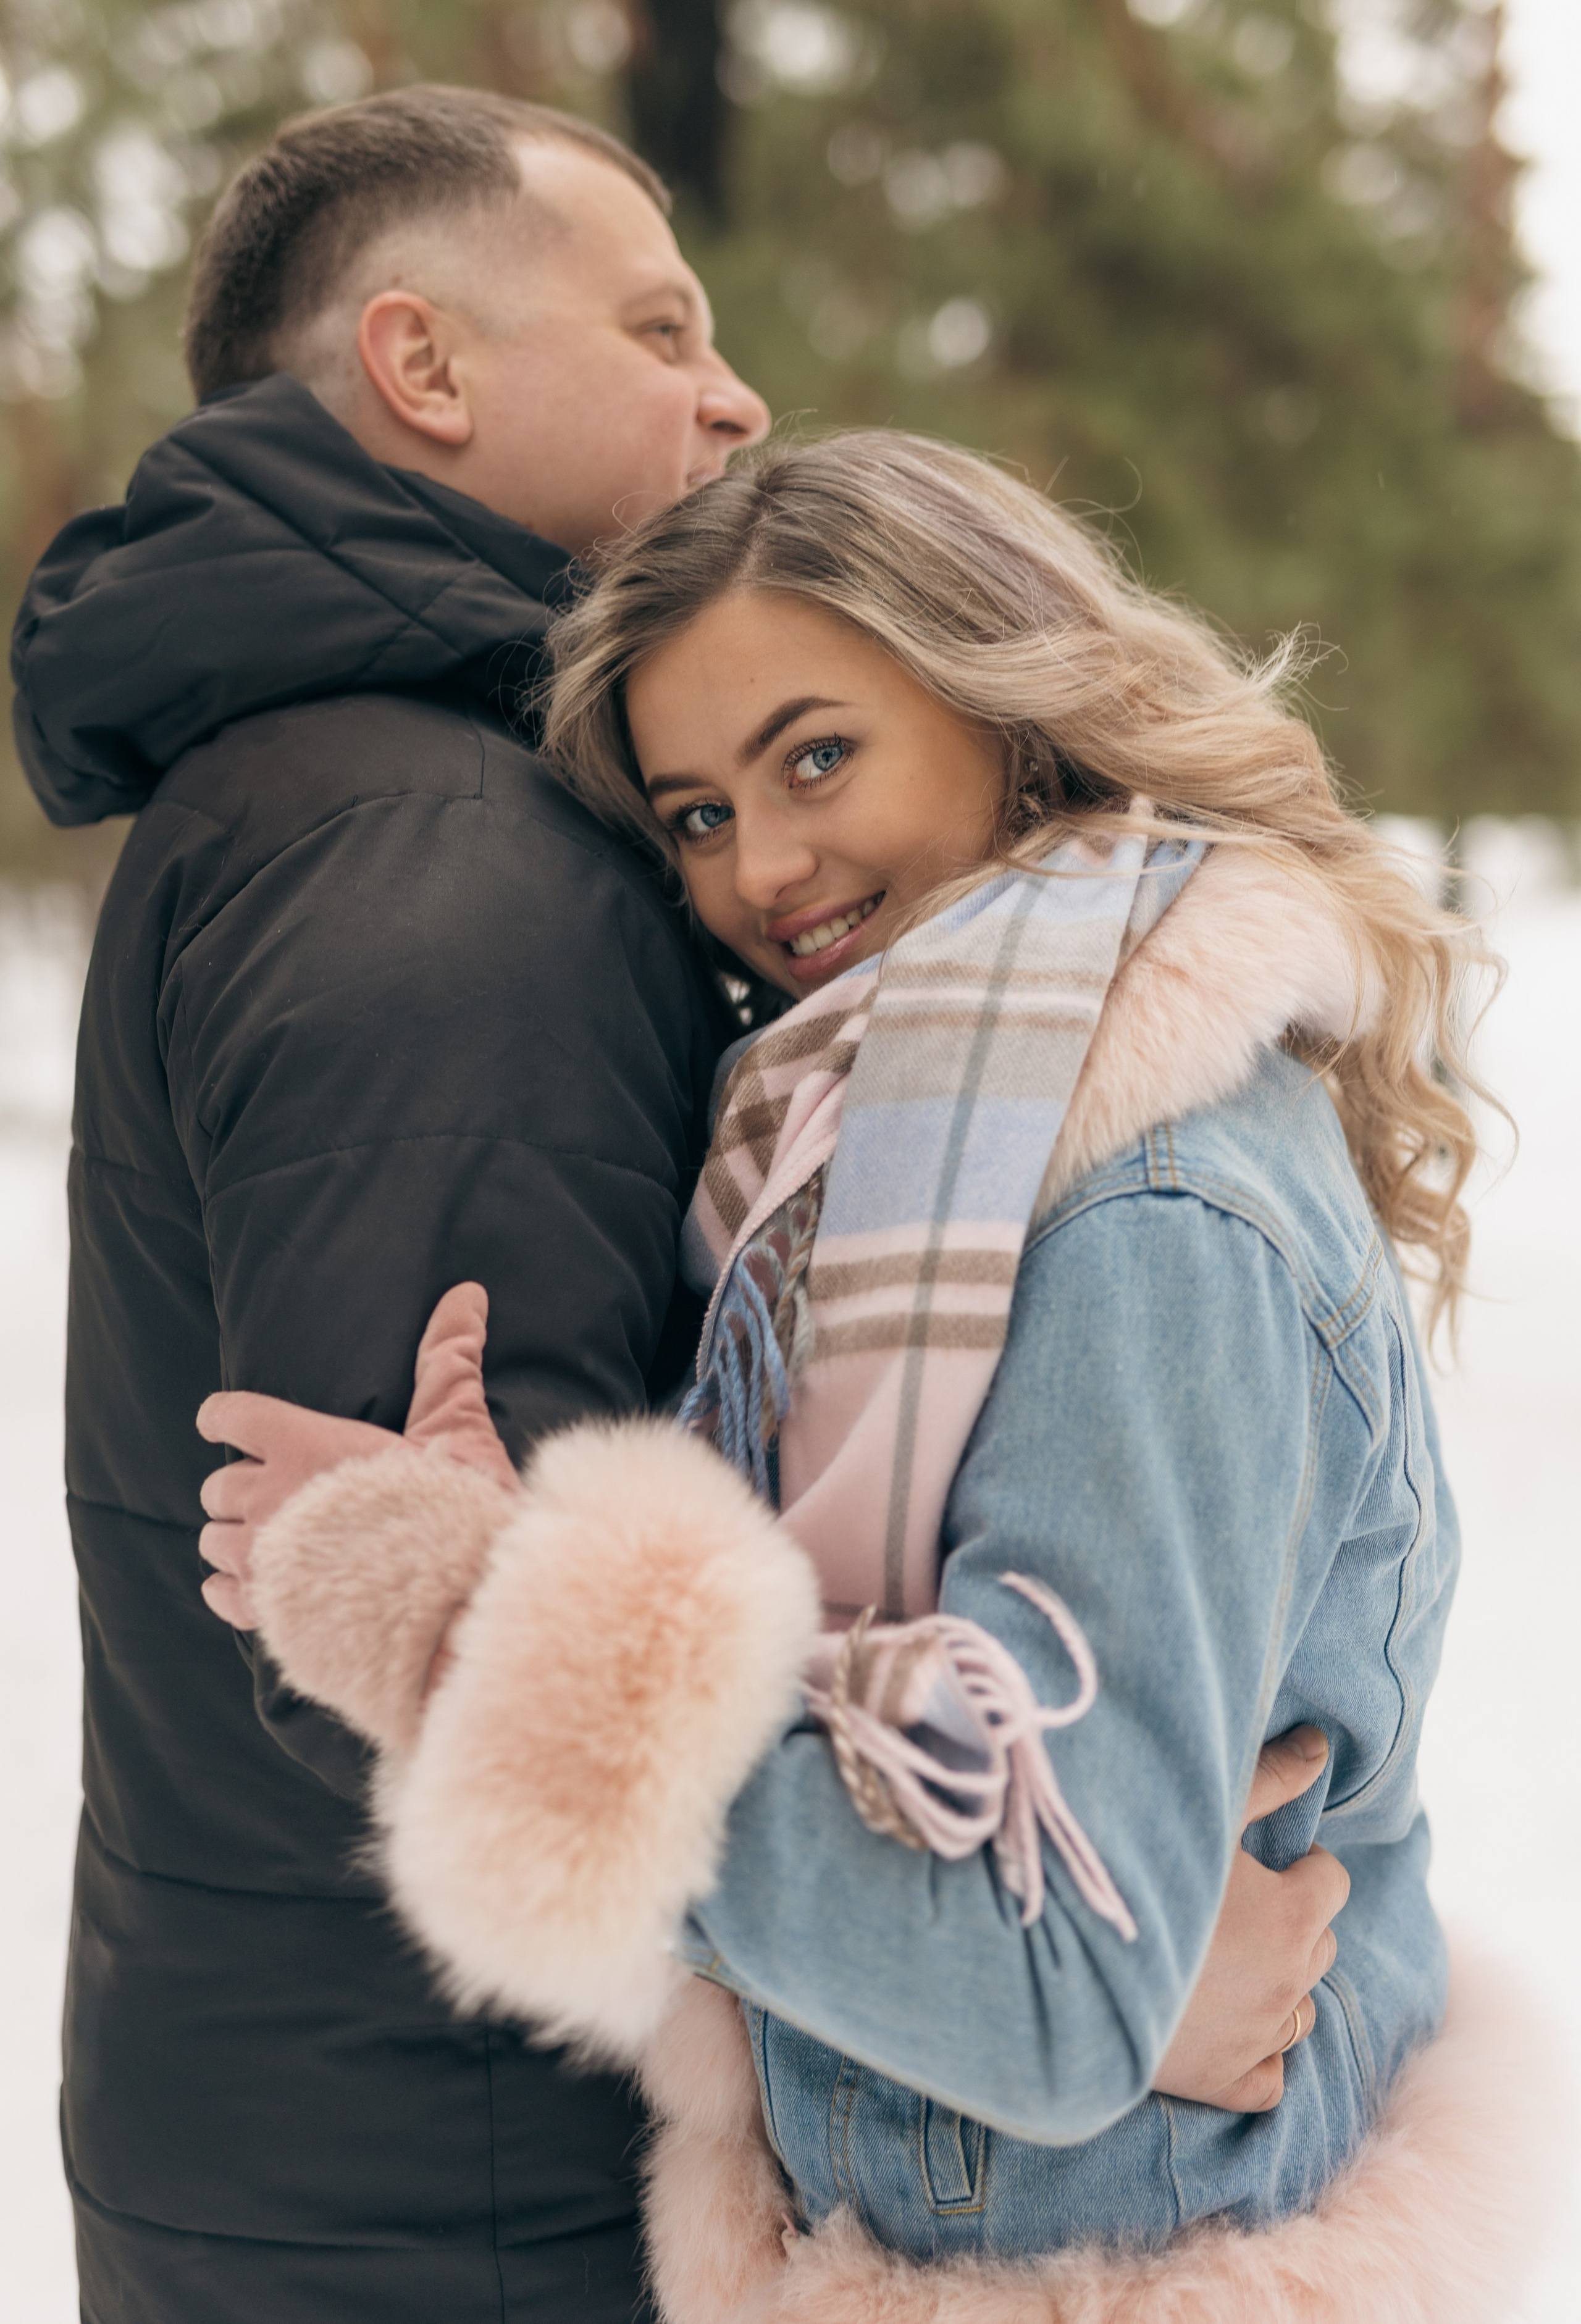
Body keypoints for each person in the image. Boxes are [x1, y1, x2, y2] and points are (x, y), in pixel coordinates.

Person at [9, 91, 1335, 2324]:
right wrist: (1081, 1997)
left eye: (815, 760)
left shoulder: (389, 798)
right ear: (423, 368)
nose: (735, 395)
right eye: (658, 325)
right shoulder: (441, 865)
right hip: (470, 2192)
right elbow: (407, 1645)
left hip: (357, 2146)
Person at [194, 432, 1512, 2316]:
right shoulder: (882, 1156)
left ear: (1013, 711)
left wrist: (479, 1631)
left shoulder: (1142, 1211)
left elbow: (1047, 1984)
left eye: (819, 757)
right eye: (701, 814)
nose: (769, 869)